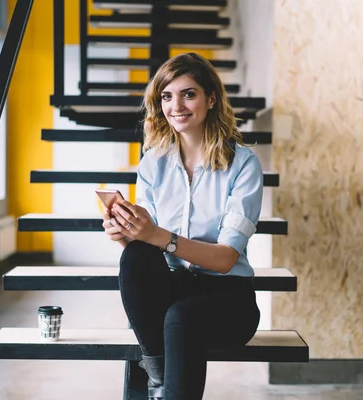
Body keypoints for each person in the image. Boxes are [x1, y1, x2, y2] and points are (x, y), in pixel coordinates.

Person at [102, 52, 263, 400]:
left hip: (228, 300)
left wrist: (156, 235)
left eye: (188, 93)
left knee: (180, 317)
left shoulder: (244, 164)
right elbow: (148, 247)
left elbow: (224, 260)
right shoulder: (153, 163)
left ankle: (159, 388)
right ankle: (160, 386)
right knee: (134, 258)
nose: (177, 105)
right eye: (166, 96)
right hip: (174, 287)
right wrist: (125, 233)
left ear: (211, 99)